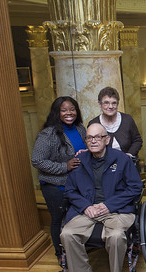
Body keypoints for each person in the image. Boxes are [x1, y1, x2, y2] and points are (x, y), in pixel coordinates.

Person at [60, 123, 143, 272]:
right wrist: (86, 206)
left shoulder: (122, 160)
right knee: (67, 234)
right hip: (87, 211)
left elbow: (135, 188)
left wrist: (108, 205)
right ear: (86, 141)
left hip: (117, 210)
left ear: (107, 140)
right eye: (90, 137)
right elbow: (70, 191)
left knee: (115, 237)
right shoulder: (79, 160)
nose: (94, 141)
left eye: (98, 137)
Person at [31, 96, 86, 262]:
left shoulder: (80, 129)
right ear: (57, 113)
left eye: (72, 109)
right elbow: (37, 160)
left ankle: (77, 251)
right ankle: (60, 255)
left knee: (75, 219)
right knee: (58, 219)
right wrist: (64, 167)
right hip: (55, 186)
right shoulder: (47, 134)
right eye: (64, 110)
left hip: (77, 185)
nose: (69, 113)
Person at [89, 87, 142, 158]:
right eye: (106, 103)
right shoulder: (94, 123)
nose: (110, 106)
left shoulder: (127, 119)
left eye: (114, 103)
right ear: (99, 104)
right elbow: (91, 145)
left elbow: (137, 140)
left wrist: (129, 154)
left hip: (128, 164)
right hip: (103, 166)